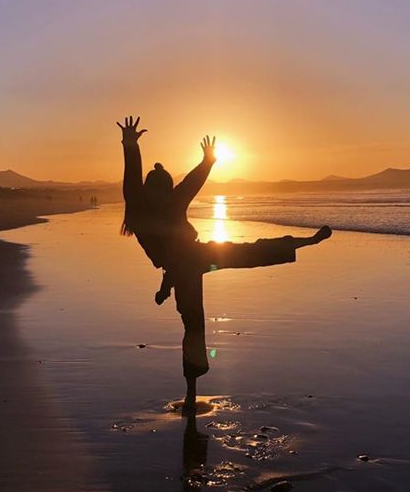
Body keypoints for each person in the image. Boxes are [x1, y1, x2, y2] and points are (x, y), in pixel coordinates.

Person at [118, 115, 331, 413]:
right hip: (188, 265)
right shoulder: (148, 203)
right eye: (163, 187)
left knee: (247, 254)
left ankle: (305, 241)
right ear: (157, 188)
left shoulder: (153, 202)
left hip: (191, 260)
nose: (165, 192)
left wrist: (205, 161)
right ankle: (191, 393)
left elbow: (181, 186)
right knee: (196, 322)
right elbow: (143, 181)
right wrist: (132, 146)